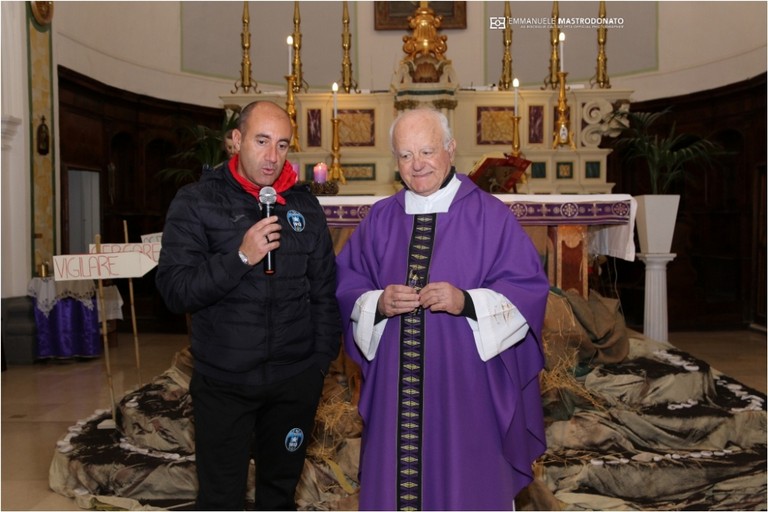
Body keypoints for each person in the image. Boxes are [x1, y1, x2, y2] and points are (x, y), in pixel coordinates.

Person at [335, 108, 550, 510]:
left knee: (465, 483)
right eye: (405, 155)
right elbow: (347, 284)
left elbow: (527, 290)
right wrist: (377, 303)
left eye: (427, 151)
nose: (416, 165)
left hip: (466, 389)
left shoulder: (490, 216)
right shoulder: (381, 218)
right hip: (394, 391)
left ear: (451, 149)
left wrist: (465, 301)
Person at [156, 101, 341, 511]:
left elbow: (324, 292)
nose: (272, 157)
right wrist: (239, 258)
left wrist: (317, 366)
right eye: (261, 141)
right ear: (236, 140)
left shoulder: (304, 206)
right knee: (221, 499)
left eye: (282, 144)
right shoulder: (196, 202)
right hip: (225, 382)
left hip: (294, 381)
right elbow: (175, 290)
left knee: (279, 494)